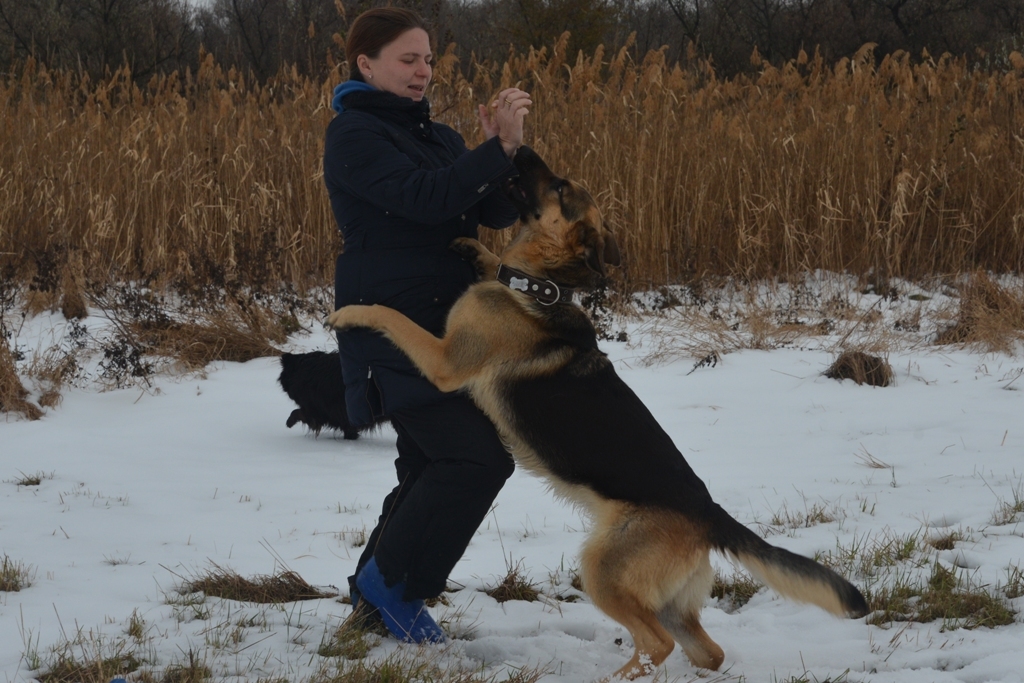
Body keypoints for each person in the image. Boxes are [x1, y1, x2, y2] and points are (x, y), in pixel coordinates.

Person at [323, 7, 531, 643]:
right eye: (408, 60)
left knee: (426, 463)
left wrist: (511, 149)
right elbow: (427, 198)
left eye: (429, 60)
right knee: (475, 457)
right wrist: (487, 153)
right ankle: (396, 588)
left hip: (448, 327)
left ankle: (371, 598)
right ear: (367, 63)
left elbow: (494, 207)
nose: (423, 72)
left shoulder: (437, 136)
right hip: (389, 327)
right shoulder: (354, 135)